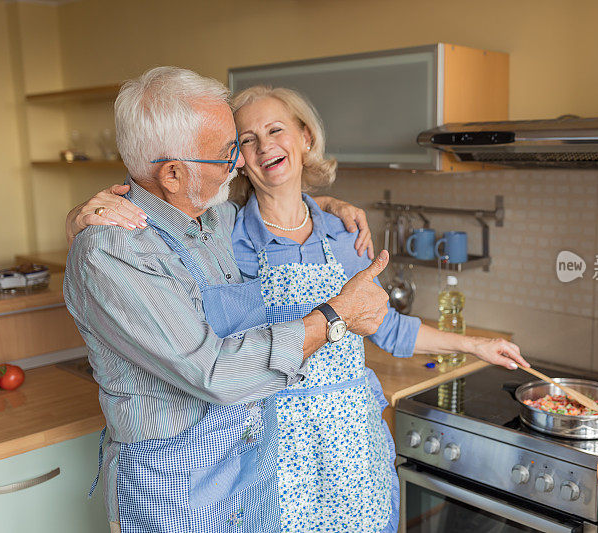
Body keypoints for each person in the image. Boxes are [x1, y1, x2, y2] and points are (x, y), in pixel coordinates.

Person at [72, 83, 530, 532]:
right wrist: (78, 218)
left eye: (272, 132)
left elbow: (384, 326)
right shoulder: (217, 231)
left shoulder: (307, 228)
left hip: (333, 440)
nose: (243, 156)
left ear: (305, 137)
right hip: (253, 451)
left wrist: (475, 343)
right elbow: (214, 370)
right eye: (238, 145)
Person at [63, 67, 391, 533]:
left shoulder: (213, 219)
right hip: (172, 488)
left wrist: (328, 206)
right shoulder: (113, 252)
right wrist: (335, 316)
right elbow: (214, 373)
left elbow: (278, 205)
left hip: (244, 469)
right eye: (227, 152)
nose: (239, 163)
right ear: (173, 174)